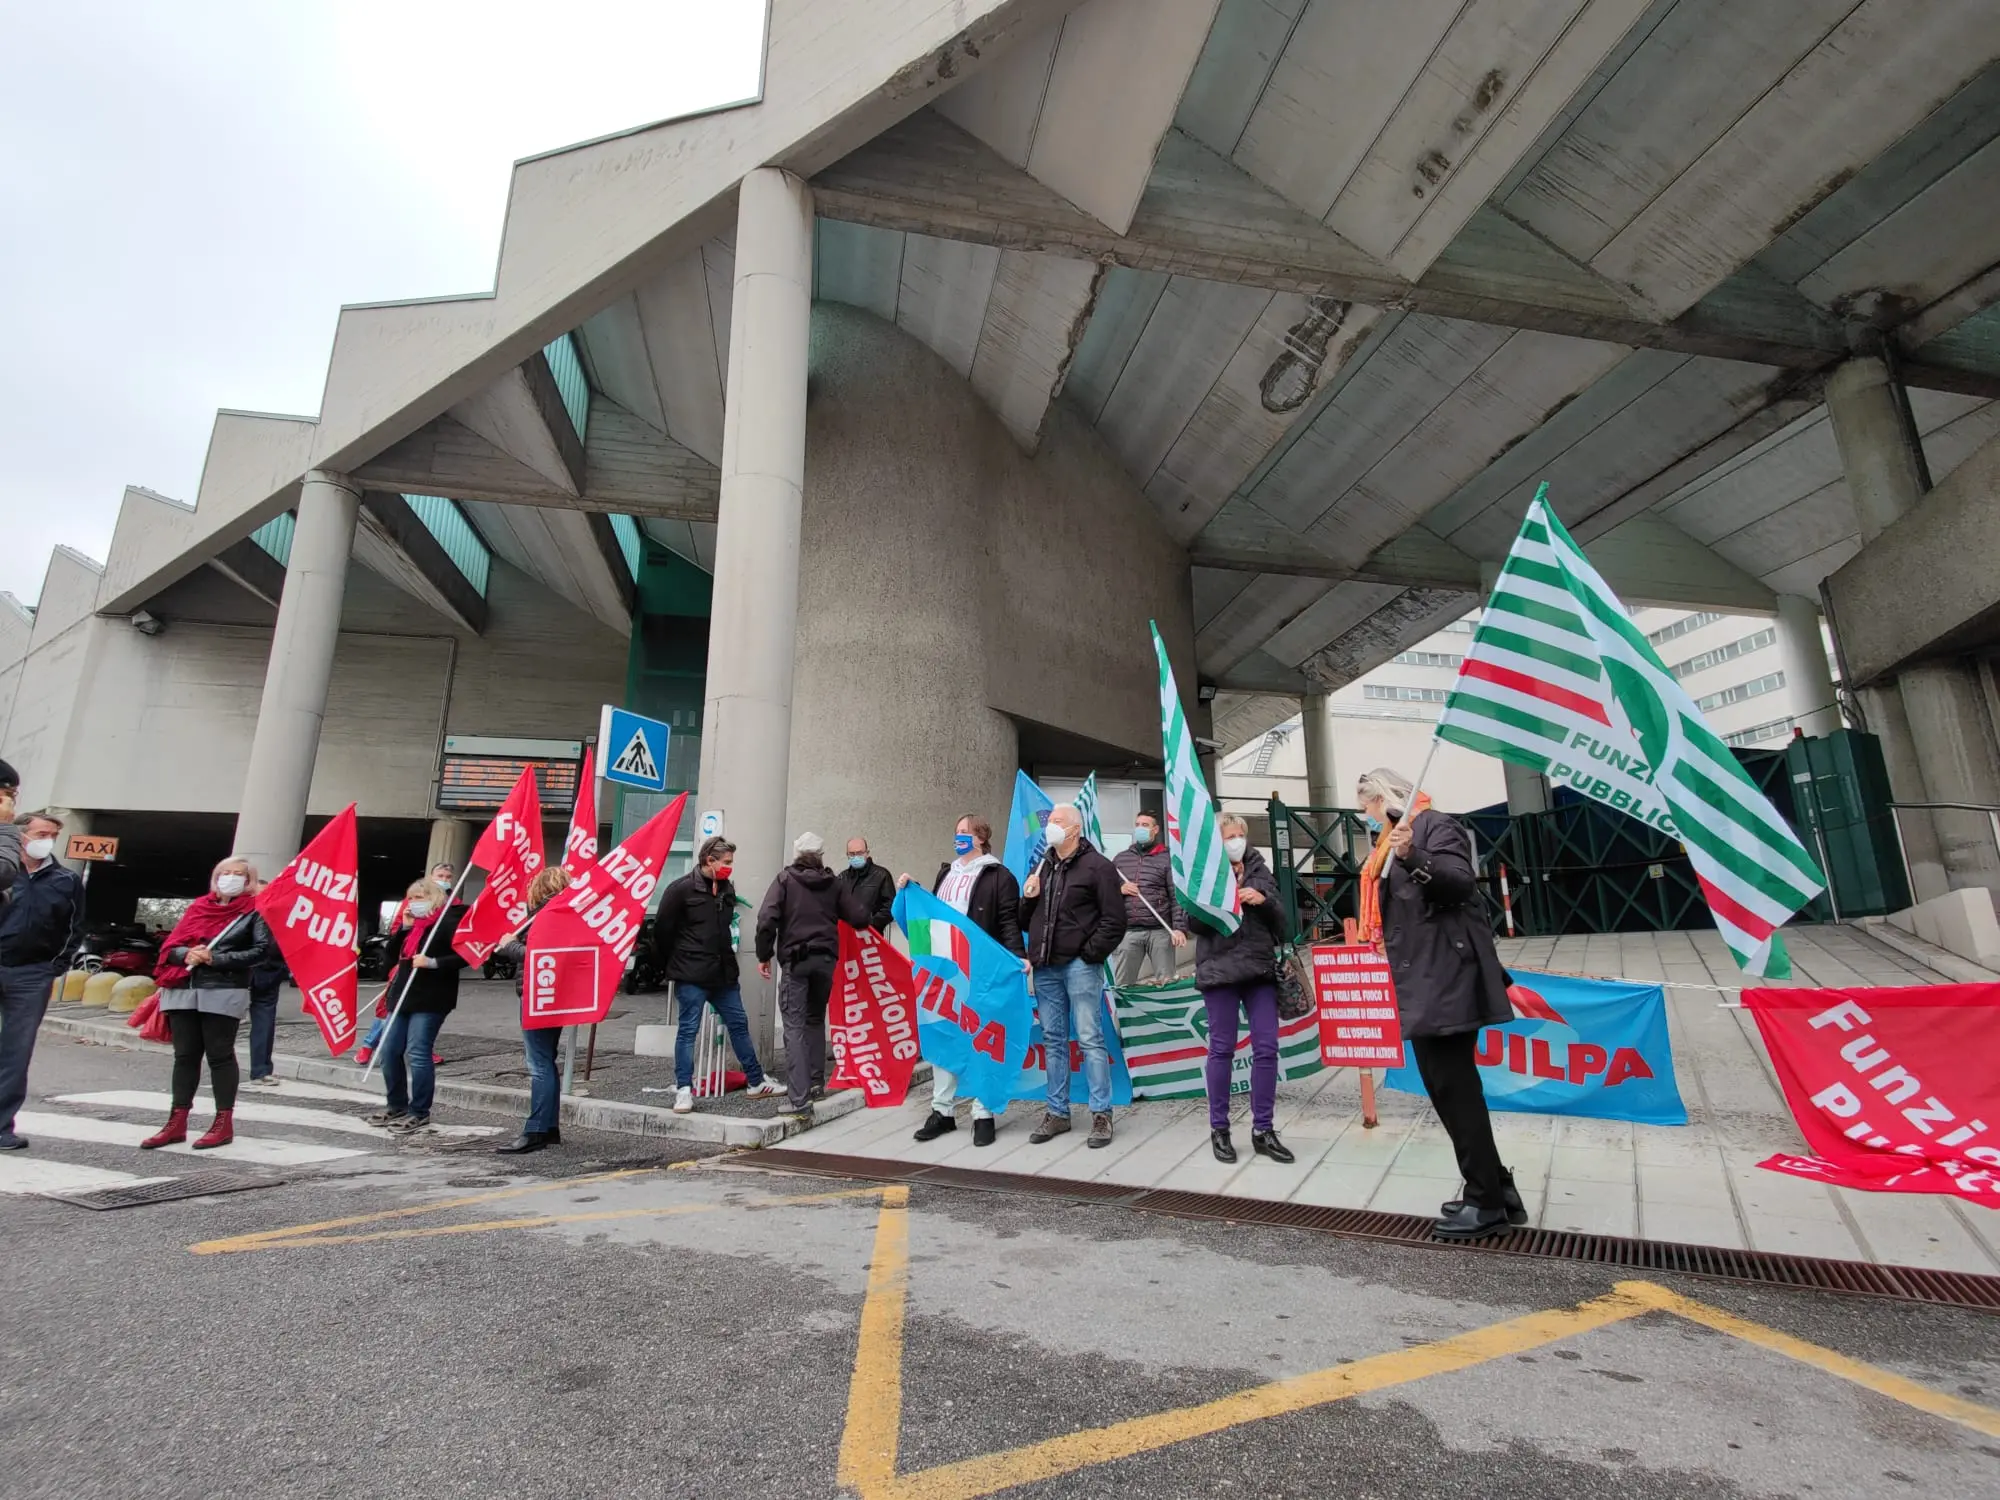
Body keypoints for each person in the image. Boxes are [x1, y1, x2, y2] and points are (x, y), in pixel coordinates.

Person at [1360, 766, 1521, 1240]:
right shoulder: (1392, 840)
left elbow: (1458, 883)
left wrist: (1412, 854)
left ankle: (1486, 1202)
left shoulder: (1431, 827)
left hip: (1446, 978)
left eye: (1367, 807)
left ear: (1385, 798)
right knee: (1447, 1087)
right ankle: (1498, 1188)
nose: (1366, 817)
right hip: (1428, 979)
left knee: (1455, 1089)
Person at [902, 814, 1024, 1148]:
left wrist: (1017, 957)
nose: (959, 837)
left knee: (980, 1038)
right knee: (944, 1036)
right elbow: (934, 915)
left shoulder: (999, 876)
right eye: (956, 831)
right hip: (944, 972)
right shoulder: (947, 872)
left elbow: (1007, 921)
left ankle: (983, 1113)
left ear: (982, 837)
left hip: (980, 972)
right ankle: (942, 1111)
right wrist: (912, 892)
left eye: (965, 832)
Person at [139, 857, 273, 1151]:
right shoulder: (198, 907)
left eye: (239, 874)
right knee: (185, 1056)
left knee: (219, 1055)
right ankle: (176, 1122)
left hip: (223, 989)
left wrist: (216, 958)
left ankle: (223, 1123)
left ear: (249, 880)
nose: (231, 878)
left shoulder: (255, 911)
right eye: (225, 873)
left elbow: (261, 952)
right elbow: (170, 947)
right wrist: (186, 954)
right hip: (182, 988)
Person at [1020, 803, 1127, 1149]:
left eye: (1057, 821)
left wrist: (1090, 953)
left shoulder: (1098, 867)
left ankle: (1101, 1114)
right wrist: (1028, 897)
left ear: (1075, 829)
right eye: (1049, 821)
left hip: (1080, 966)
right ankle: (1058, 1112)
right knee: (1053, 1039)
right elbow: (1026, 920)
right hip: (1047, 966)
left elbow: (1115, 920)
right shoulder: (1043, 867)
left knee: (1089, 1037)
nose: (1050, 826)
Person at [651, 836, 783, 1116]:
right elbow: (662, 931)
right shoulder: (681, 890)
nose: (729, 867)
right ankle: (684, 1089)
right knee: (689, 1031)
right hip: (691, 973)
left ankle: (756, 1081)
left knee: (738, 1023)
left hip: (723, 974)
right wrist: (672, 966)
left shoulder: (725, 889)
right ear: (709, 861)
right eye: (726, 862)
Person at [1195, 814, 1295, 1165]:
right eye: (1229, 835)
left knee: (1267, 1048)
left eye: (1240, 835)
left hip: (1258, 971)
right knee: (1221, 1049)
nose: (1236, 841)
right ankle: (1219, 1129)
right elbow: (1192, 921)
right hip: (1219, 971)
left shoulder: (1260, 870)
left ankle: (1263, 1130)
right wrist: (1223, 898)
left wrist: (1263, 901)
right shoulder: (1205, 872)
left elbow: (1284, 922)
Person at [755, 833, 866, 1117]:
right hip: (825, 961)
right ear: (821, 855)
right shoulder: (834, 884)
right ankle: (816, 1083)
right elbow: (860, 917)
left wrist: (763, 954)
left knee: (793, 1026)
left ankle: (799, 1099)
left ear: (796, 854)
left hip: (796, 960)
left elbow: (767, 918)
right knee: (816, 1019)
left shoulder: (785, 880)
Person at [0, 802, 85, 1150]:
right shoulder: (5, 872)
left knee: (15, 1053)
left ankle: (2, 1126)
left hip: (32, 975)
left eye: (53, 836)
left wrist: (56, 966)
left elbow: (74, 928)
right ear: (19, 835)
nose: (47, 841)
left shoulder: (66, 880)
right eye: (41, 834)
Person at [367, 877, 469, 1133]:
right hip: (402, 994)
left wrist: (433, 962)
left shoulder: (447, 922)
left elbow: (464, 955)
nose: (414, 902)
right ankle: (396, 1104)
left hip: (431, 997)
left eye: (420, 897)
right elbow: (392, 957)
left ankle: (419, 1110)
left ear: (434, 897)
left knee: (418, 1052)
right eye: (411, 898)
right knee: (389, 1051)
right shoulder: (411, 926)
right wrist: (403, 930)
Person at [491, 865, 576, 1154]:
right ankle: (548, 1127)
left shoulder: (545, 916)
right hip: (556, 993)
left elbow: (539, 956)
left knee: (539, 1064)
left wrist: (510, 945)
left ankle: (537, 1129)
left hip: (537, 995)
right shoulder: (568, 914)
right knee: (545, 1061)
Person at [1110, 810, 1188, 985]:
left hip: (1161, 931)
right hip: (1128, 931)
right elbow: (1106, 892)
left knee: (1167, 982)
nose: (1140, 829)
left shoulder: (1167, 859)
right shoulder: (1121, 859)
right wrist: (1120, 889)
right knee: (1123, 985)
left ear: (1156, 830)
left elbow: (1177, 896)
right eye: (1137, 825)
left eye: (1145, 825)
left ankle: (1168, 1012)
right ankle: (1124, 1013)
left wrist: (1179, 928)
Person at [243, 881, 290, 1089]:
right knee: (220, 1023)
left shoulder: (277, 915)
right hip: (237, 972)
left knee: (264, 1021)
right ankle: (223, 1065)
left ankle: (261, 1069)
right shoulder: (242, 914)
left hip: (266, 973)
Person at [835, 837, 895, 935]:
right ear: (847, 855)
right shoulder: (842, 877)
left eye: (859, 853)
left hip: (873, 936)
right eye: (852, 854)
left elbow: (890, 907)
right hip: (848, 936)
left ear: (867, 853)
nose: (855, 857)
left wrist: (870, 923)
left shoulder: (881, 875)